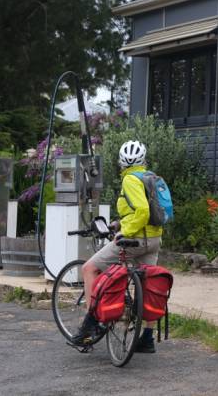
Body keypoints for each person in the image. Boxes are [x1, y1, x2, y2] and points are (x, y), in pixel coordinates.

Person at [70, 139, 164, 351]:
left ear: (121, 162)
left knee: (89, 268)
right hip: (154, 240)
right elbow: (146, 212)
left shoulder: (130, 180)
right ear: (144, 160)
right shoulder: (150, 178)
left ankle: (90, 326)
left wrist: (123, 232)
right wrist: (120, 222)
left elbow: (142, 211)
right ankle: (147, 338)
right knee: (148, 286)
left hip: (135, 240)